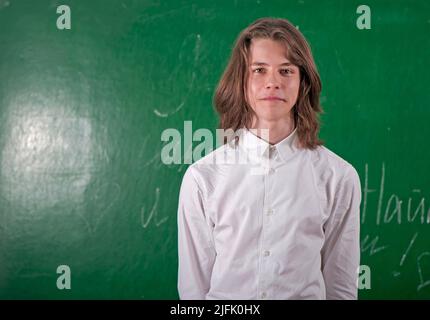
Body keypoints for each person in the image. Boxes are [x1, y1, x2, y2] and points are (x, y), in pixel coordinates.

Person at [177, 17, 362, 300]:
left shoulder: (338, 178)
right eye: (259, 70)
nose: (273, 82)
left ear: (303, 83)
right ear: (240, 81)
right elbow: (193, 290)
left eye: (286, 71)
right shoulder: (203, 178)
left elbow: (341, 287)